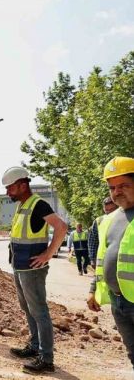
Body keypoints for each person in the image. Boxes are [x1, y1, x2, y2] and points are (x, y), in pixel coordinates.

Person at [2, 166, 67, 374]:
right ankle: (35, 346)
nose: (7, 192)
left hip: (32, 269)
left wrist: (48, 254)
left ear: (22, 185)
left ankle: (46, 359)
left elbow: (61, 227)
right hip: (20, 266)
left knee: (39, 311)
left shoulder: (38, 205)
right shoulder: (23, 205)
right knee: (28, 308)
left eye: (10, 188)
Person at [87, 157, 134, 369]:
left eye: (124, 185)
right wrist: (93, 289)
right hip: (119, 301)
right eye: (112, 187)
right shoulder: (109, 219)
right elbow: (102, 257)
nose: (117, 192)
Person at [88, 196, 117, 268]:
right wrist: (92, 259)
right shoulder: (98, 221)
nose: (109, 212)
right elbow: (93, 242)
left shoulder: (124, 219)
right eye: (107, 210)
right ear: (103, 209)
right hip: (103, 261)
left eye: (112, 209)